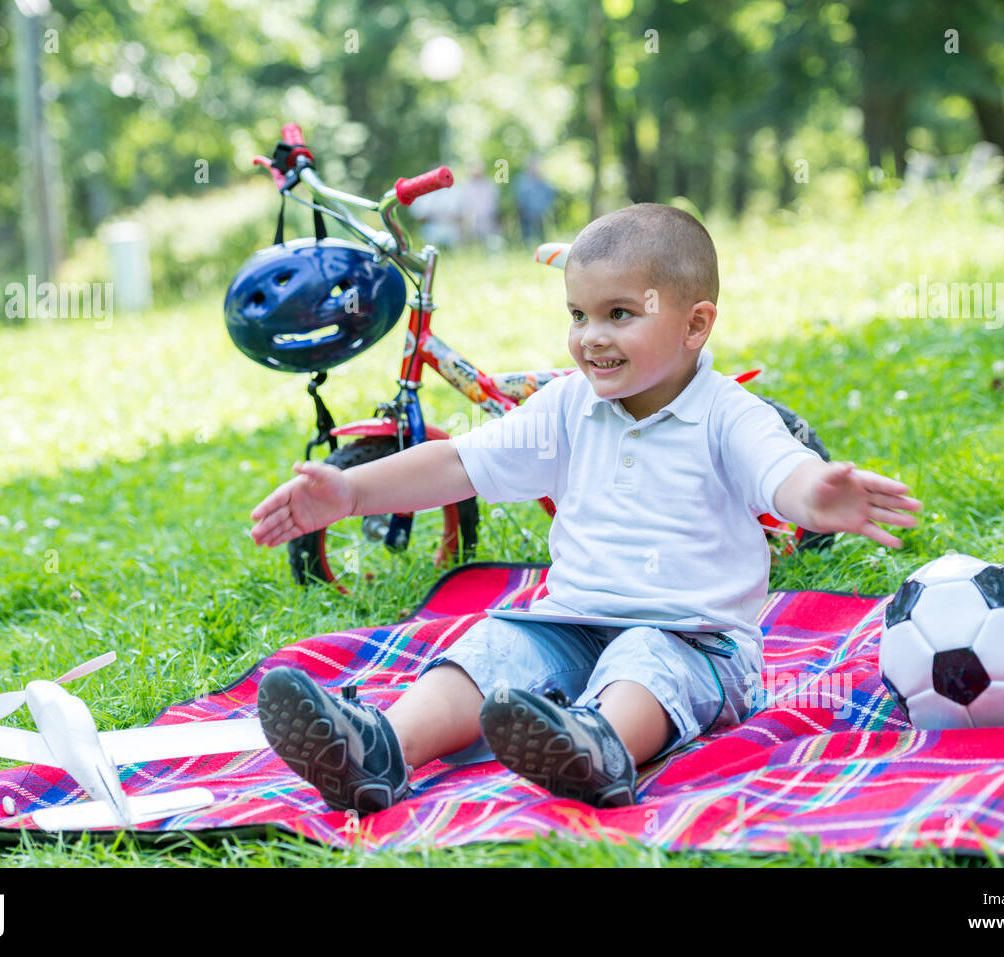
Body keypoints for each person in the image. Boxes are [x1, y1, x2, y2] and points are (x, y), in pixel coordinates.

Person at [248, 203, 923, 814]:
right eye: (578, 315)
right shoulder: (571, 405)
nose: (591, 337)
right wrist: (354, 492)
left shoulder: (726, 415)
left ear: (695, 324)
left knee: (644, 660)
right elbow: (462, 463)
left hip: (695, 640)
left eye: (619, 314)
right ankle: (377, 748)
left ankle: (598, 748)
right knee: (493, 649)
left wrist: (814, 495)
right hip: (571, 622)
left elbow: (781, 471)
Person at [514, 155, 556, 244]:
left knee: (542, 239)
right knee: (527, 238)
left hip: (541, 215)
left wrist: (544, 208)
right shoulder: (522, 181)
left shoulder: (544, 182)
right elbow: (520, 197)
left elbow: (549, 196)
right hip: (526, 215)